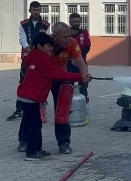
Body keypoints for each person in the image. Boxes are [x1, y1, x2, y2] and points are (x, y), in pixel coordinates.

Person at [17, 22, 89, 154]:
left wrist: (85, 75)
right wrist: (78, 77)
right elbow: (33, 62)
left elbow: (80, 61)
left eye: (69, 36)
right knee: (32, 111)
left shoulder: (72, 43)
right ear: (54, 37)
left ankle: (64, 142)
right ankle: (24, 141)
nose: (68, 39)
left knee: (62, 111)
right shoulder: (45, 44)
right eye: (64, 37)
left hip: (61, 79)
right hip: (45, 78)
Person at [7, 1, 50, 121]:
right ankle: (19, 110)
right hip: (27, 59)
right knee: (24, 83)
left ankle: (39, 111)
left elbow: (46, 41)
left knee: (41, 84)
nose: (36, 12)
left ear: (40, 10)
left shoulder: (46, 25)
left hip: (41, 60)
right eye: (34, 10)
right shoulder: (24, 24)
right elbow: (22, 39)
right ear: (30, 10)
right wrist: (29, 51)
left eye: (38, 10)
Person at [67, 13, 91, 122]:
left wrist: (78, 59)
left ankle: (85, 111)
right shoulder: (66, 34)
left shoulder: (84, 33)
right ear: (70, 22)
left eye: (78, 21)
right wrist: (71, 58)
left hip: (81, 63)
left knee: (83, 87)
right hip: (68, 63)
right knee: (67, 87)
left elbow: (87, 47)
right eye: (74, 21)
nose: (76, 23)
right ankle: (68, 111)